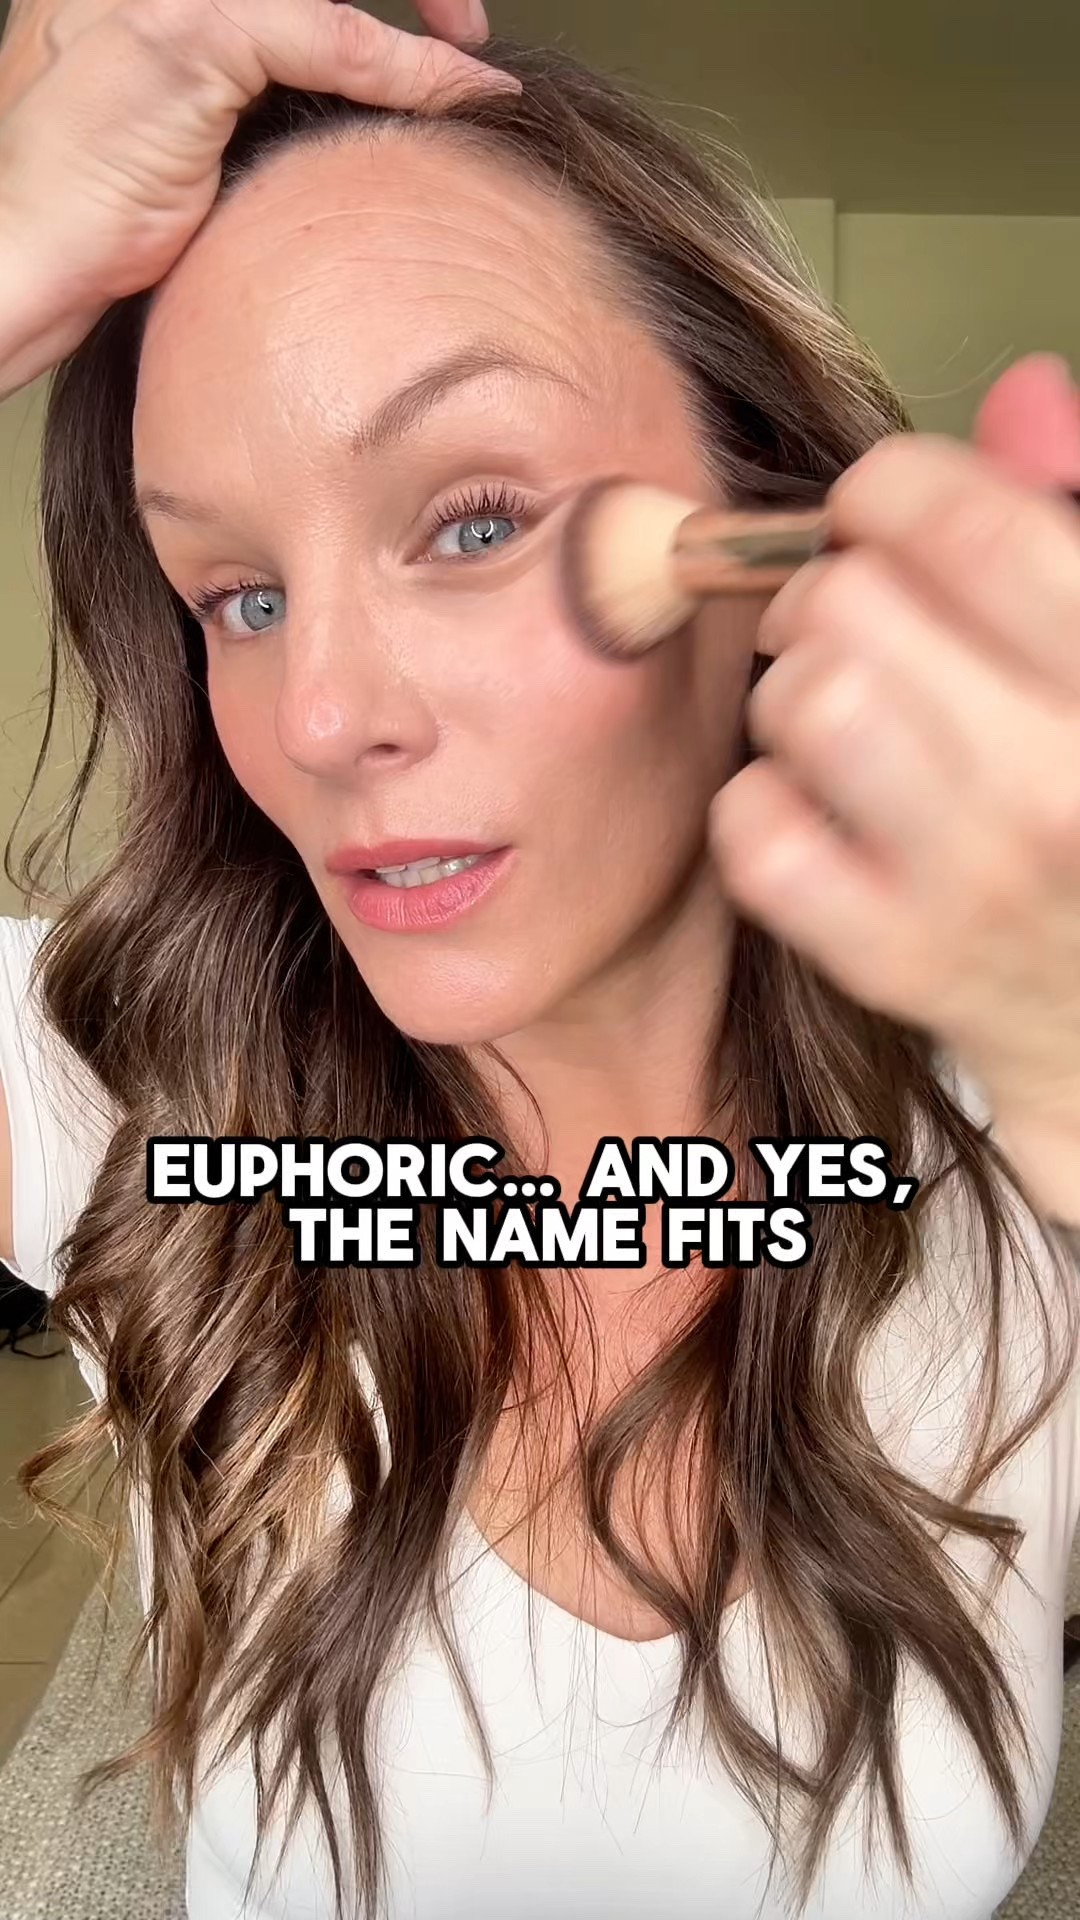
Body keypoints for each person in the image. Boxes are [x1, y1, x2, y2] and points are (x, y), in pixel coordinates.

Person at [1, 2, 1080, 1916]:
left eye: (474, 520)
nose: (318, 714)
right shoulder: (133, 1092)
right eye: (238, 595)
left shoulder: (1024, 1124)